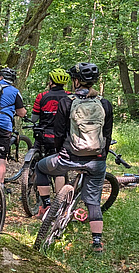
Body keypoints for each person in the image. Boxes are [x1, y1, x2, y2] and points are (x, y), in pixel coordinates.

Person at [34, 62, 114, 253]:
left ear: (76, 81)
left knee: (40, 167)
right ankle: (97, 242)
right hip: (96, 160)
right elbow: (107, 134)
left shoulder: (67, 102)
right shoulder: (104, 103)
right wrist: (101, 156)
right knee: (93, 201)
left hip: (68, 158)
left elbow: (59, 133)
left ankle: (47, 206)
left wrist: (60, 151)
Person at [31, 68, 70, 151]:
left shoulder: (41, 96)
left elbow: (34, 119)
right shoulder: (70, 97)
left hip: (44, 135)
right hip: (64, 136)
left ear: (51, 82)